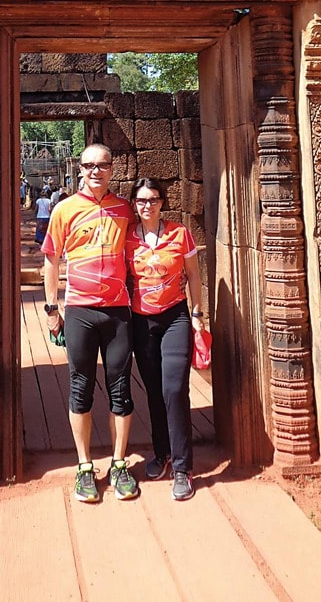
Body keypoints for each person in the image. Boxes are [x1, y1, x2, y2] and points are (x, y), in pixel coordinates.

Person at [42, 144, 139, 503]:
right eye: (89, 165)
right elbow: (51, 260)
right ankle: (84, 465)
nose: (96, 171)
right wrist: (53, 308)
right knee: (80, 386)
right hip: (80, 309)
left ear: (112, 169)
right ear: (79, 169)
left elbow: (138, 254)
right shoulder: (65, 209)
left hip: (117, 310)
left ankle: (118, 462)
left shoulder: (124, 210)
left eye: (102, 165)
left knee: (120, 387)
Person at [126, 177, 206, 501]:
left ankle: (184, 467)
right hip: (141, 320)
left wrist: (198, 315)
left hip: (175, 315)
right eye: (142, 200)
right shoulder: (126, 239)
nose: (148, 205)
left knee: (174, 388)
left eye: (154, 199)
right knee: (155, 391)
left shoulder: (179, 233)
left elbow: (195, 275)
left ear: (163, 202)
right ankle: (163, 454)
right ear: (134, 203)